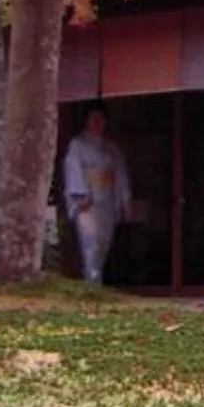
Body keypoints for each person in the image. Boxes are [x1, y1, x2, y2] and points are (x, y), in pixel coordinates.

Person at [62, 110, 131, 285]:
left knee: (103, 244)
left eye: (101, 120)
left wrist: (125, 199)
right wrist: (81, 195)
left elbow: (120, 174)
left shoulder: (111, 148)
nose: (98, 123)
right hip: (88, 201)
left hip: (107, 200)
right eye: (94, 119)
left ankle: (96, 280)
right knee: (90, 244)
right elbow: (73, 168)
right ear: (86, 121)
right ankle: (91, 283)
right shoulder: (78, 144)